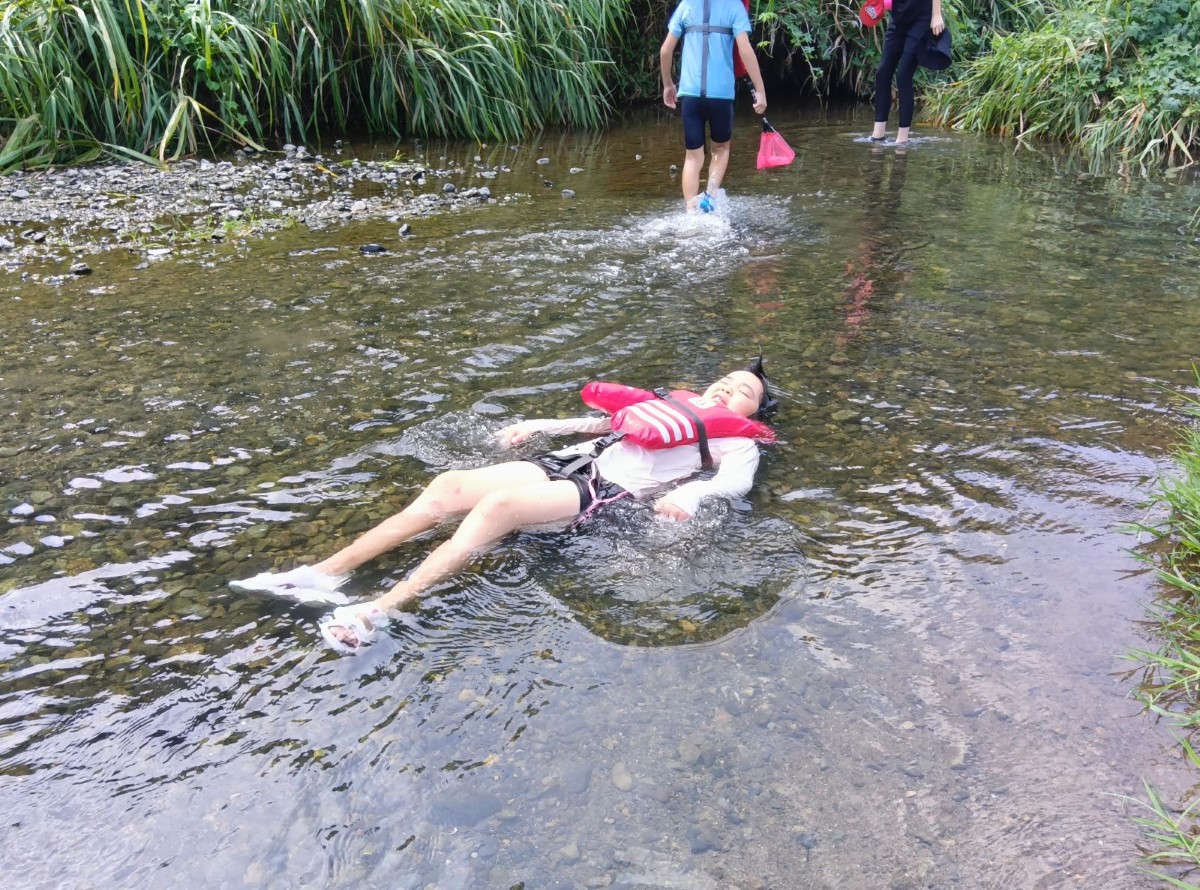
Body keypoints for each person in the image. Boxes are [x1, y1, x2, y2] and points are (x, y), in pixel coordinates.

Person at [231, 361, 779, 652]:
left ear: (755, 411)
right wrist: (538, 426)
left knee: (497, 508)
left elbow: (732, 483)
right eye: (726, 380)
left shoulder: (739, 442)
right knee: (448, 488)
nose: (728, 390)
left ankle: (379, 610)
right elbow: (602, 424)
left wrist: (689, 493)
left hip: (602, 493)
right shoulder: (671, 403)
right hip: (566, 462)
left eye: (744, 392)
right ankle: (324, 574)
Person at [659, 0, 767, 213]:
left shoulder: (686, 6)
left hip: (690, 95)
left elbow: (665, 50)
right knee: (721, 148)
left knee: (693, 156)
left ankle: (691, 212)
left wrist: (668, 85)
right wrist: (760, 90)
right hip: (721, 96)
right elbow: (745, 49)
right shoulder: (734, 6)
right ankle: (709, 196)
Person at [870, 0, 945, 145]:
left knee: (903, 74)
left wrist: (936, 15)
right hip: (899, 16)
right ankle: (877, 136)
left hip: (922, 17)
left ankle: (902, 140)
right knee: (883, 72)